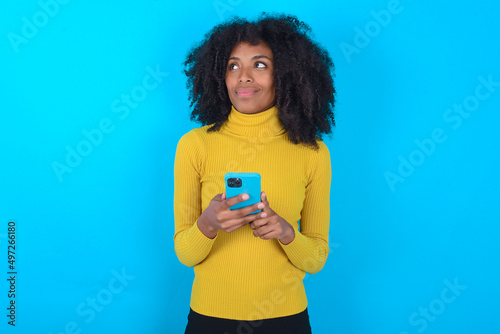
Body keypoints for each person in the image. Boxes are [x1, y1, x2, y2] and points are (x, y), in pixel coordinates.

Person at [174, 13, 336, 333]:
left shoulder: (312, 152)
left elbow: (316, 259)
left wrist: (286, 233)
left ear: (286, 75)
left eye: (259, 65)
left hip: (285, 318)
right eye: (233, 66)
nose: (243, 77)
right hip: (211, 317)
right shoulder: (194, 146)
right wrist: (208, 223)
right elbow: (185, 253)